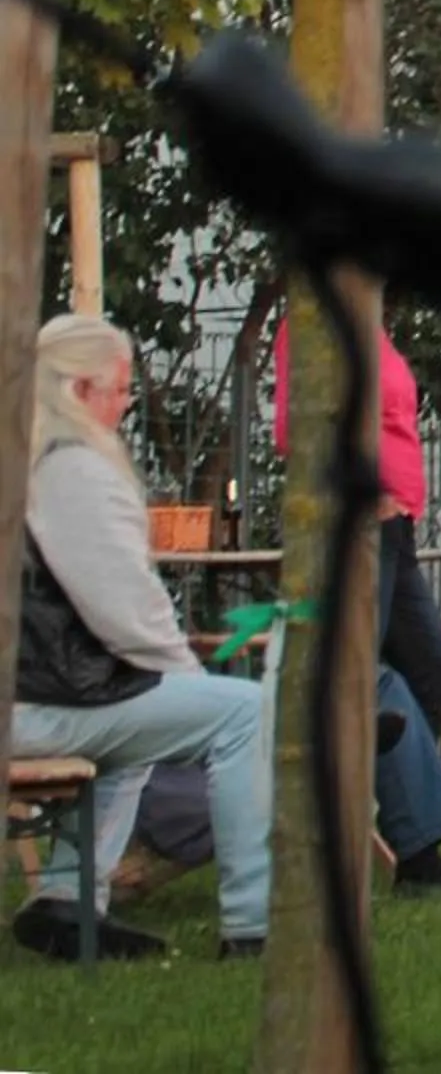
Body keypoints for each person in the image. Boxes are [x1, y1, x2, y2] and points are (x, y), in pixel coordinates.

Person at [10, 314, 270, 962]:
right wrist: (188, 677)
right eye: (118, 389)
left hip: (38, 692)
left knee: (137, 728)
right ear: (77, 390)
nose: (126, 405)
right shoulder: (68, 467)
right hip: (41, 703)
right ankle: (252, 926)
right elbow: (123, 607)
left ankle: (68, 905)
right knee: (245, 714)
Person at [270, 318, 441, 733]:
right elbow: (295, 430)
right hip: (360, 521)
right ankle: (338, 784)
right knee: (354, 670)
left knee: (435, 673)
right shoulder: (314, 324)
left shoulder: (367, 321)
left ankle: (405, 792)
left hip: (397, 524)